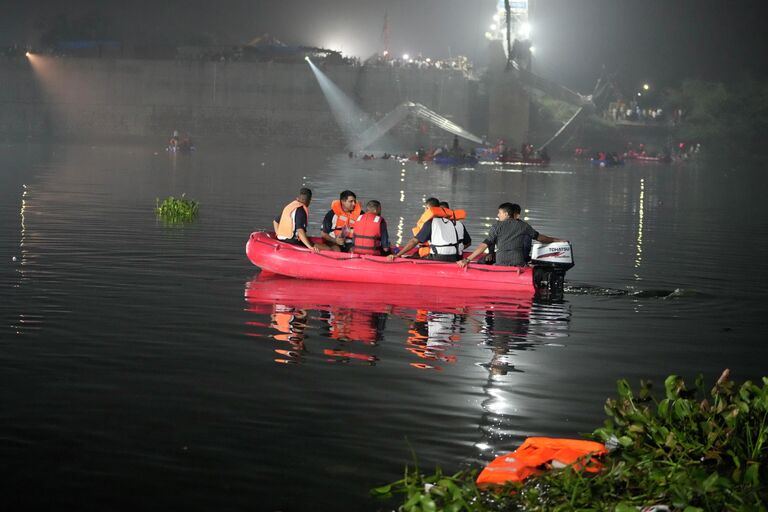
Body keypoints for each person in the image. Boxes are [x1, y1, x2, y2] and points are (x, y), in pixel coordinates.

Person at [458, 203, 562, 268]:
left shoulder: (497, 226)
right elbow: (540, 237)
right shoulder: (523, 226)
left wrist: (467, 259)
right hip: (518, 262)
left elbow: (484, 245)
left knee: (482, 262)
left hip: (501, 262)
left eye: (500, 213)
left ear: (507, 214)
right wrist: (555, 240)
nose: (498, 215)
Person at [391, 201, 470, 262]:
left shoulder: (432, 223)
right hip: (454, 257)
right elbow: (468, 242)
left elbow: (414, 241)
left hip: (438, 258)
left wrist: (398, 255)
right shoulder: (456, 223)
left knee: (412, 258)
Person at [273, 187, 320, 253]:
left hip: (281, 240)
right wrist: (310, 247)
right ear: (309, 200)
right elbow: (300, 231)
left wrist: (278, 234)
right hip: (292, 242)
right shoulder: (301, 210)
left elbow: (275, 222)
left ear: (299, 197)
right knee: (325, 248)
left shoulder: (290, 207)